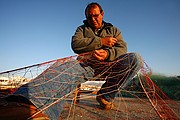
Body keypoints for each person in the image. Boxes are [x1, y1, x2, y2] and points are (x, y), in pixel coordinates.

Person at [71, 2, 143, 109]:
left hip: (110, 67)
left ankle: (105, 96)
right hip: (88, 66)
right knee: (65, 67)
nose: (93, 19)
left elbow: (122, 49)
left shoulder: (113, 30)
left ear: (102, 14)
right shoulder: (81, 29)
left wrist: (107, 54)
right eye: (89, 17)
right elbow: (75, 45)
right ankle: (38, 105)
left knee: (136, 59)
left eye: (96, 16)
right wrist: (101, 41)